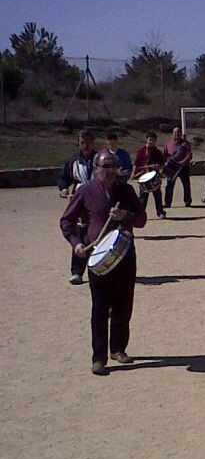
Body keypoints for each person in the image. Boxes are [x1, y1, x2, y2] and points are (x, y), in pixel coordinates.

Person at [60, 150, 147, 375]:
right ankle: (98, 358)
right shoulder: (86, 191)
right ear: (96, 168)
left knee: (124, 304)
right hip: (98, 257)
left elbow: (142, 219)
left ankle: (118, 348)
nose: (110, 171)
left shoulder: (126, 191)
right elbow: (66, 220)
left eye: (113, 166)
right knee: (100, 308)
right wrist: (76, 244)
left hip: (125, 255)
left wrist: (125, 216)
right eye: (105, 166)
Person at [57, 129, 96, 284]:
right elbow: (63, 178)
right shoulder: (73, 162)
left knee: (98, 234)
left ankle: (101, 269)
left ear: (93, 142)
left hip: (97, 200)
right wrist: (63, 188)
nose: (85, 146)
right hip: (79, 201)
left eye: (88, 142)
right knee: (80, 235)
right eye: (82, 143)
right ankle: (77, 272)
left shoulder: (101, 159)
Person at [132, 131, 165, 219]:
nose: (151, 142)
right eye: (150, 140)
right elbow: (136, 164)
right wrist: (133, 173)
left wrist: (158, 168)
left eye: (153, 140)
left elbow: (162, 164)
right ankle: (140, 214)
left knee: (157, 195)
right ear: (147, 140)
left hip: (154, 176)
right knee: (143, 197)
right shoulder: (141, 151)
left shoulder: (157, 152)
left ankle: (160, 212)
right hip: (143, 176)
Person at [163, 126, 193, 210]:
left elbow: (189, 155)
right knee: (169, 185)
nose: (176, 134)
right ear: (172, 134)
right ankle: (167, 202)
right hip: (171, 168)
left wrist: (183, 162)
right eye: (175, 132)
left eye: (178, 132)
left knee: (186, 184)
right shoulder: (168, 144)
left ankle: (187, 201)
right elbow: (165, 155)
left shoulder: (186, 144)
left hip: (183, 167)